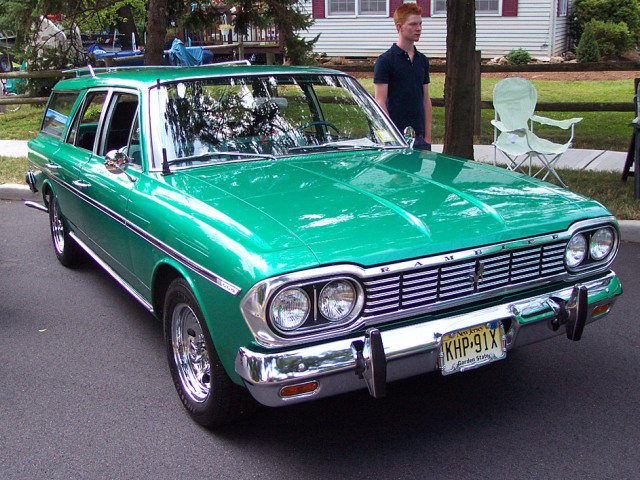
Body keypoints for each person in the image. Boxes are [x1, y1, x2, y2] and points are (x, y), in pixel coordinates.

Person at [374, 2, 432, 151]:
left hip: (420, 137)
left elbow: (426, 100)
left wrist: (427, 137)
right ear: (399, 27)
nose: (418, 28)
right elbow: (380, 101)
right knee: (398, 175)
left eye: (420, 24)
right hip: (396, 137)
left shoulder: (422, 60)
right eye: (413, 24)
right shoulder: (385, 61)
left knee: (418, 175)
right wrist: (392, 137)